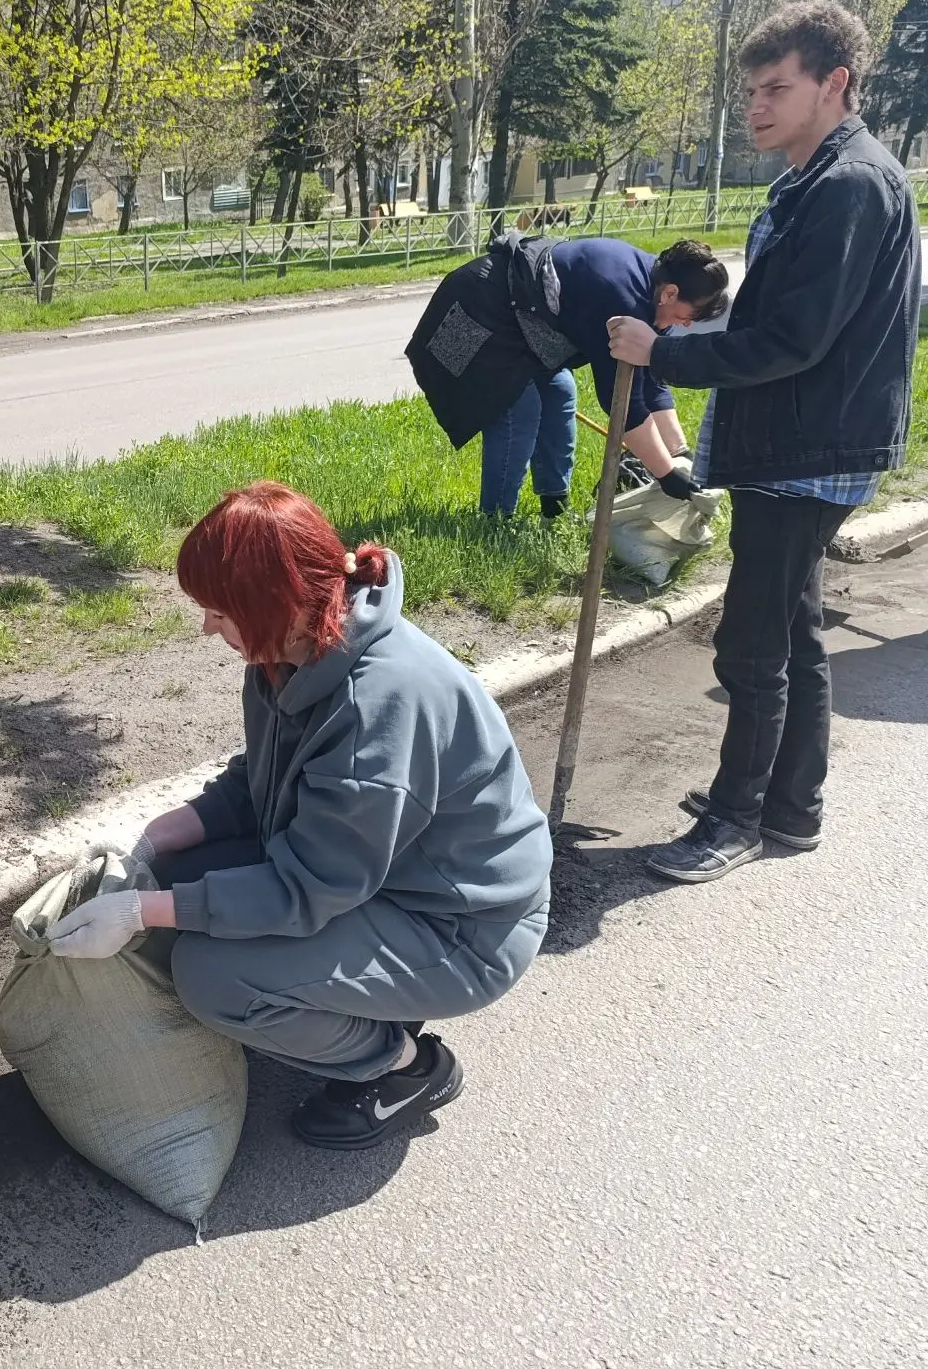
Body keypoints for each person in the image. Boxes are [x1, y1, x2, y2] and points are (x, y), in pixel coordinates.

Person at [44, 482, 552, 1149]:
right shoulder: (291, 653)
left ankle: (402, 1067)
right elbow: (262, 785)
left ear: (272, 605)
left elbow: (304, 888)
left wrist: (143, 913)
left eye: (219, 613)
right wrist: (150, 839)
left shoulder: (379, 708)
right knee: (171, 871)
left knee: (211, 975)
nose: (207, 628)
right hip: (376, 882)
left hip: (460, 929)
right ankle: (324, 1002)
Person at [608, 1, 920, 885]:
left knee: (751, 644)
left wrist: (662, 349)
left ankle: (736, 818)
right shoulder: (815, 179)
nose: (756, 104)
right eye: (751, 89)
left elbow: (793, 340)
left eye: (776, 87)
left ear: (836, 83)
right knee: (797, 630)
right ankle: (791, 808)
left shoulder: (850, 186)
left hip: (807, 452)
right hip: (808, 442)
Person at [406, 233, 731, 517]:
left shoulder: (656, 292)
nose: (687, 324)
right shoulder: (622, 297)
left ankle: (554, 509)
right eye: (691, 315)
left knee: (560, 392)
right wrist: (666, 475)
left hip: (524, 323)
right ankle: (495, 520)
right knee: (519, 408)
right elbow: (623, 407)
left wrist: (678, 453)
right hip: (479, 310)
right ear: (671, 293)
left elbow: (650, 382)